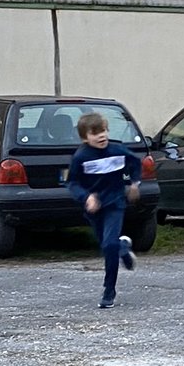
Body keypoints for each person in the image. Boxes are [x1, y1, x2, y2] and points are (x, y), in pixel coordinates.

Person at [66, 112, 142, 309]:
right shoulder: (81, 157)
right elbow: (73, 183)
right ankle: (123, 248)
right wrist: (87, 197)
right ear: (85, 137)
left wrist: (133, 184)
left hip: (115, 203)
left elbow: (134, 164)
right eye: (95, 133)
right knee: (107, 244)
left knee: (108, 246)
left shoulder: (118, 151)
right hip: (94, 208)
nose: (102, 136)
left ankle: (109, 290)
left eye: (104, 131)